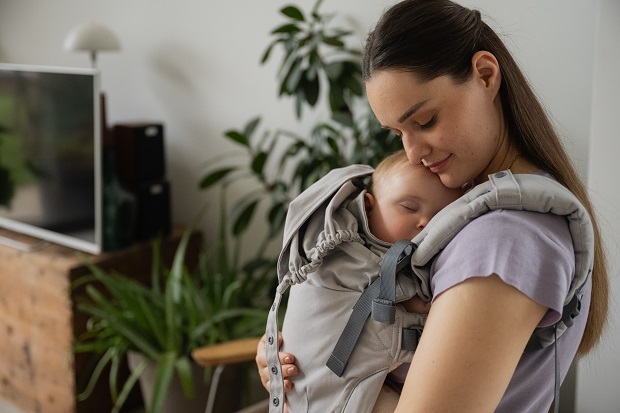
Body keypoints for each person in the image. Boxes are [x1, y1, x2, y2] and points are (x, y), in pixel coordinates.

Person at [256, 1, 609, 412]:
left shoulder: (504, 238)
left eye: (424, 121)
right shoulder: (473, 207)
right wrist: (305, 355)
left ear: (485, 75)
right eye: (397, 132)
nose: (413, 151)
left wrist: (322, 395)